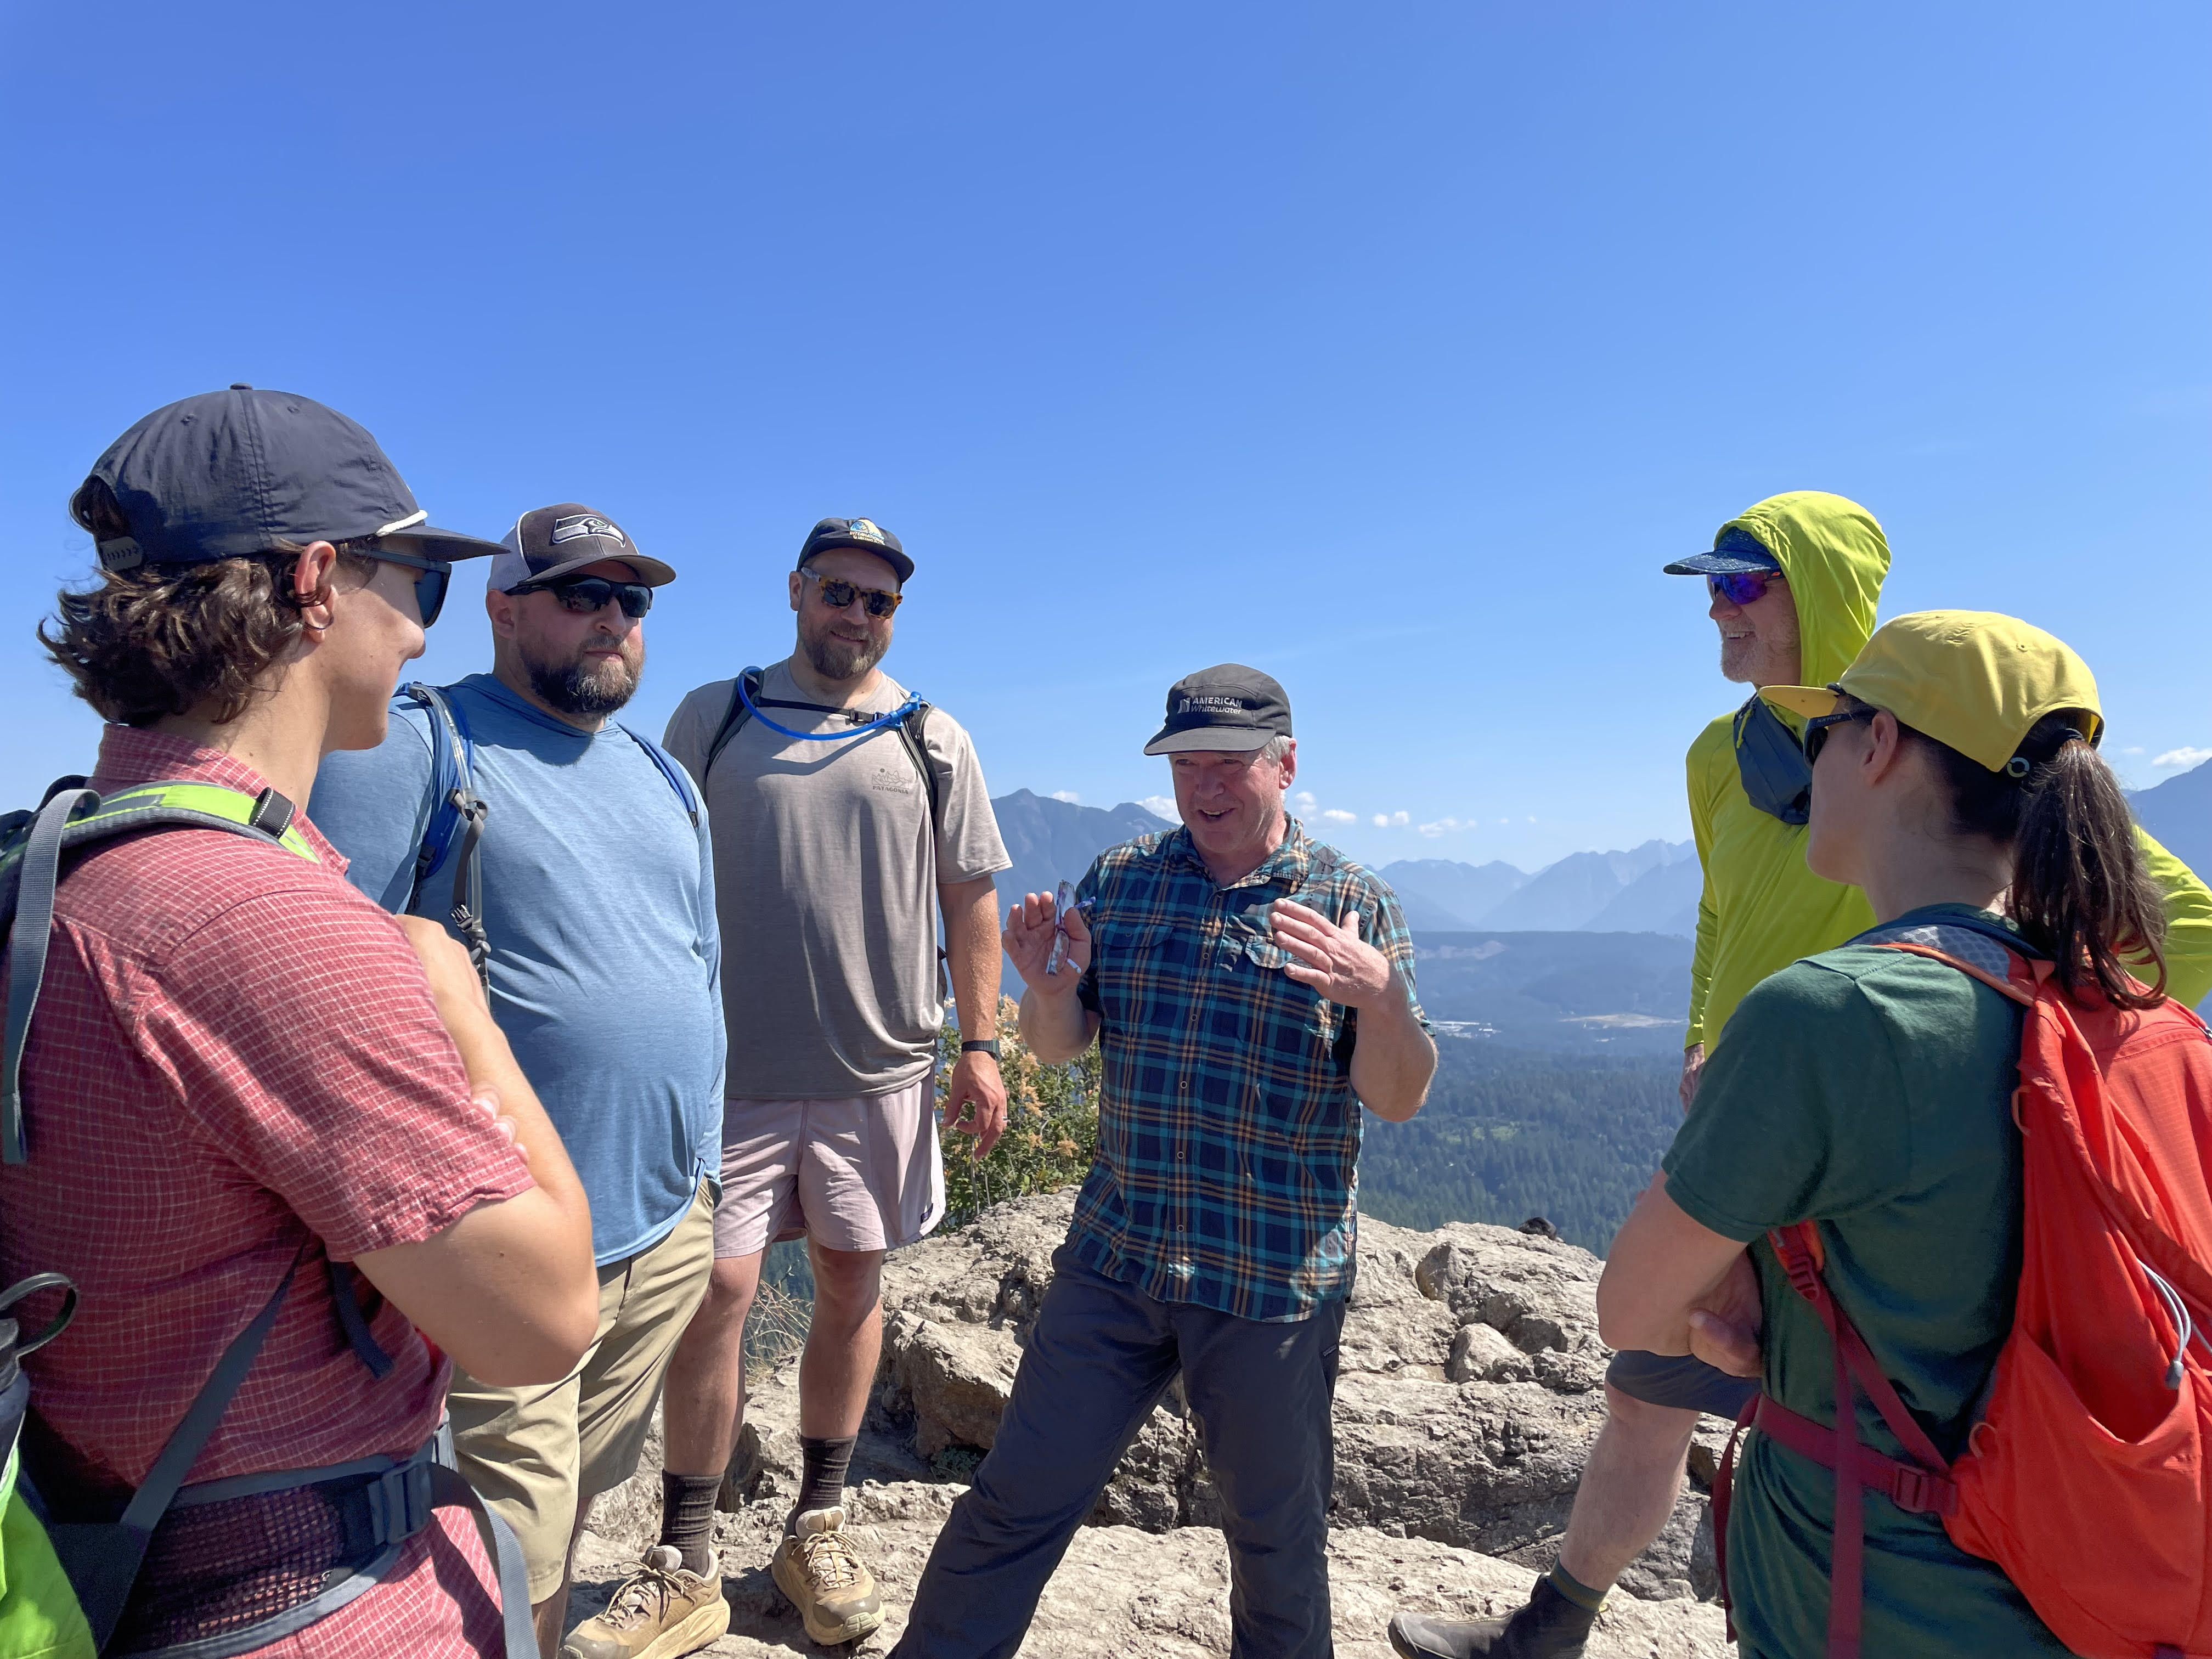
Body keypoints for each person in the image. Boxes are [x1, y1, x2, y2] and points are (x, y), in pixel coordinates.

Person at [1390, 491, 2212, 1659]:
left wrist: (1972, 1022)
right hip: (1772, 1124)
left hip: (1847, 1121)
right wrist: (1703, 1042)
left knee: (1832, 1410)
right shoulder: (1731, 762)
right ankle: (1551, 1626)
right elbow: (1723, 913)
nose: (1715, 612)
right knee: (1660, 1400)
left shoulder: (1959, 737)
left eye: (1739, 583)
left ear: (1873, 739)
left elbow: (2189, 924)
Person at [0, 387, 597, 1655]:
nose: (424, 640)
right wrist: (457, 1006)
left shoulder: (38, 876)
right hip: (310, 1601)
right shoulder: (271, 927)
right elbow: (541, 1323)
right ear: (319, 582)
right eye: (418, 590)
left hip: (86, 1563)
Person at [1594, 608, 2171, 1655]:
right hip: (2092, 1590)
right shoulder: (2130, 1013)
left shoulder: (1832, 1014)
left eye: (1827, 732)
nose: (1811, 762)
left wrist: (1732, 1286)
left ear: (1883, 744)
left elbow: (1630, 1306)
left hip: (1871, 1597)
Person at [888, 663, 1438, 1659]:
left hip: (1270, 1283)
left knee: (1277, 1552)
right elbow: (1063, 1046)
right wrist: (1048, 992)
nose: (1206, 788)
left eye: (1231, 764)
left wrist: (1381, 1001)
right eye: (1187, 764)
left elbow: (1398, 1096)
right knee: (1014, 1501)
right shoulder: (1124, 880)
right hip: (1118, 1259)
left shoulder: (1355, 904)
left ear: (1288, 764)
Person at [311, 504, 727, 1659]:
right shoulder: (420, 742)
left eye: (632, 601)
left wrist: (705, 1177)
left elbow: (701, 970)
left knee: (577, 1502)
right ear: (500, 606)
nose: (613, 621)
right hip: (504, 1232)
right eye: (580, 594)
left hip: (663, 1218)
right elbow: (335, 967)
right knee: (515, 1539)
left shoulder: (661, 774)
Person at [658, 517, 1011, 1648]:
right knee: (715, 1294)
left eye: (880, 602)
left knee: (854, 1289)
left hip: (882, 1071)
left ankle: (821, 1517)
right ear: (797, 591)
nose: (857, 616)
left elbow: (971, 901)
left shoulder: (931, 735)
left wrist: (983, 1045)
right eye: (840, 593)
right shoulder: (714, 716)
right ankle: (686, 1546)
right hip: (727, 1071)